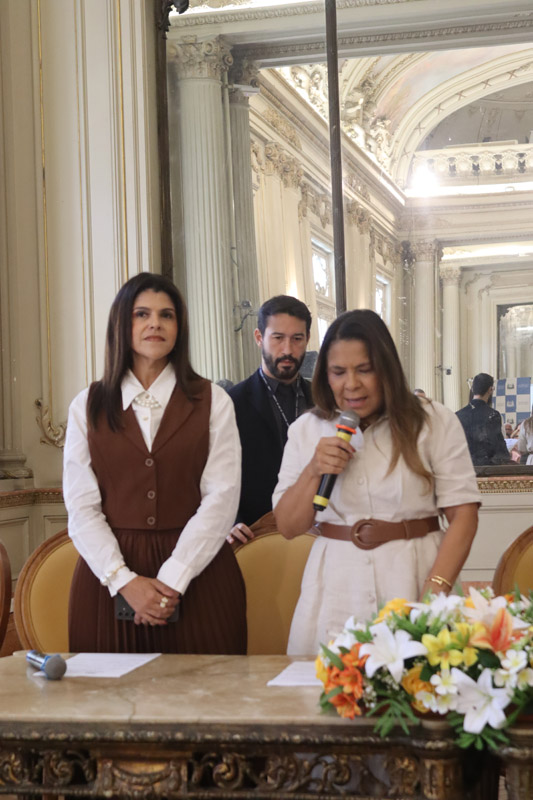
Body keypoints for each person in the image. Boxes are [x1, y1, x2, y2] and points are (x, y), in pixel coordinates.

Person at [273, 309, 480, 656]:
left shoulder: (433, 421)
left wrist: (434, 592)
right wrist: (313, 470)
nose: (351, 384)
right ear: (325, 375)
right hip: (336, 589)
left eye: (365, 369)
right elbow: (288, 526)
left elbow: (464, 515)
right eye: (339, 372)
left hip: (417, 578)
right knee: (330, 686)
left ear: (387, 369)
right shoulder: (306, 430)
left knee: (421, 683)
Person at [63, 272, 246, 654]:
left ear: (179, 327)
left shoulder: (214, 401)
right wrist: (123, 581)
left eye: (167, 315)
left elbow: (222, 498)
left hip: (200, 575)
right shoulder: (87, 405)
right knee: (108, 690)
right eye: (141, 314)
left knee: (208, 688)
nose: (155, 324)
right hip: (109, 581)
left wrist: (174, 578)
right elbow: (81, 507)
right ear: (121, 324)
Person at [227, 295, 314, 543]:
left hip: (317, 534)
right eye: (278, 338)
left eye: (297, 339)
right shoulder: (232, 403)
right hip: (254, 538)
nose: (287, 350)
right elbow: (215, 476)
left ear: (307, 339)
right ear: (259, 338)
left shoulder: (324, 401)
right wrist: (229, 522)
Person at [456, 373, 510, 466]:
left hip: (463, 466)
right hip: (486, 467)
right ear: (490, 389)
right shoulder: (493, 415)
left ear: (472, 389)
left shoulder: (458, 415)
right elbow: (498, 446)